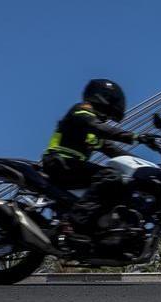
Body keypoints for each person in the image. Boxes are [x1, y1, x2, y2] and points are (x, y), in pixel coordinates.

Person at [41, 79, 153, 233]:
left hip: (70, 168)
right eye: (108, 112)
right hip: (58, 162)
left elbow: (114, 151)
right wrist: (134, 136)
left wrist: (146, 167)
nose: (107, 118)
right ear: (103, 98)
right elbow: (98, 127)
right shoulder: (81, 110)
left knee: (120, 185)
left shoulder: (92, 133)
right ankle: (75, 219)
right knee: (110, 175)